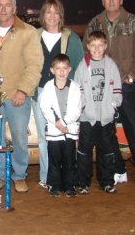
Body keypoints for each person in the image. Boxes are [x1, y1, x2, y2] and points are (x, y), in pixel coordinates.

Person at [83, 0, 135, 192]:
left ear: (121, 0)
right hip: (102, 89)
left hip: (125, 86)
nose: (111, 0)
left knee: (134, 130)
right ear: (103, 1)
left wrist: (131, 76)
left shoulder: (133, 23)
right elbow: (88, 53)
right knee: (106, 132)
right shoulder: (94, 23)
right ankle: (120, 170)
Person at [0, 0, 43, 193]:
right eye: (0, 5)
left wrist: (23, 90)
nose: (3, 9)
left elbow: (34, 65)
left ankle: (18, 176)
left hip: (17, 96)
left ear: (15, 9)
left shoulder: (27, 32)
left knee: (19, 138)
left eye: (8, 5)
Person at [31, 0, 84, 189]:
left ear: (61, 15)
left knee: (66, 135)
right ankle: (47, 176)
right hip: (40, 93)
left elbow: (78, 68)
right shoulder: (34, 35)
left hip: (65, 94)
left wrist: (75, 95)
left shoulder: (72, 39)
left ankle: (67, 175)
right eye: (48, 11)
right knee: (45, 136)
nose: (52, 16)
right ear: (43, 14)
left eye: (56, 12)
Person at [75, 31, 123, 194]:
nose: (96, 48)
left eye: (100, 45)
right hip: (87, 117)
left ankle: (107, 181)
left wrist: (112, 108)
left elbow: (117, 90)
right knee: (84, 151)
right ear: (88, 46)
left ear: (105, 46)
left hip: (105, 117)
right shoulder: (83, 66)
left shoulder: (111, 65)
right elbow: (78, 90)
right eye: (93, 45)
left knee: (107, 150)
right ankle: (83, 183)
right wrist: (83, 109)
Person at [39, 54, 81, 197]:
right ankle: (54, 185)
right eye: (58, 68)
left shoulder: (75, 87)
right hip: (54, 131)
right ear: (52, 70)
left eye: (64, 68)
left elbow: (76, 109)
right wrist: (57, 122)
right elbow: (45, 106)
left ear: (70, 69)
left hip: (69, 130)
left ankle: (70, 186)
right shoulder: (48, 87)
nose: (62, 72)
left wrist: (64, 123)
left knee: (70, 160)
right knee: (54, 160)